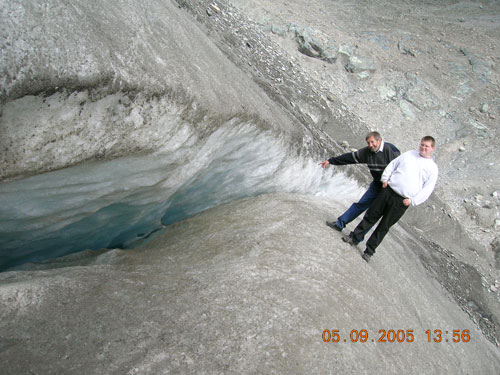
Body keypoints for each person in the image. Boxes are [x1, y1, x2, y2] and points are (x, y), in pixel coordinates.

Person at [342, 136, 439, 262]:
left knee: (384, 225)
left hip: (402, 201)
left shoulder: (432, 168)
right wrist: (385, 179)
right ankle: (354, 238)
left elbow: (427, 189)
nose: (423, 148)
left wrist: (412, 201)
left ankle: (369, 251)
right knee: (371, 215)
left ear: (432, 148)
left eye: (426, 146)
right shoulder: (410, 154)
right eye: (422, 145)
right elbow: (393, 164)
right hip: (388, 191)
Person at [320, 132, 400, 237]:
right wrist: (331, 161)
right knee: (360, 204)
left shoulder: (390, 150)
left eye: (372, 142)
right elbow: (349, 158)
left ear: (379, 140)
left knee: (372, 214)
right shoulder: (367, 152)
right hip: (376, 185)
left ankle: (356, 237)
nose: (370, 145)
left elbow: (401, 170)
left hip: (388, 189)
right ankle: (340, 224)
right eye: (368, 143)